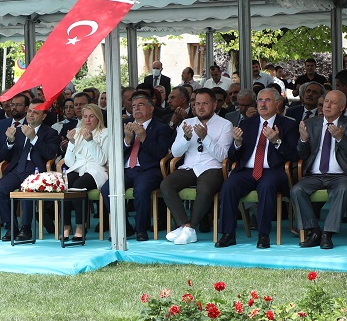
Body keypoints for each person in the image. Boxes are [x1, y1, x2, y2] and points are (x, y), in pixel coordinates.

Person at [216, 88, 299, 249]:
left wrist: (277, 141)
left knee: (266, 186)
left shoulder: (288, 124)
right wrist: (237, 143)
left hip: (273, 171)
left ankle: (263, 235)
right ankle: (228, 234)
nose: (262, 104)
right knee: (229, 185)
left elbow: (295, 155)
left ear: (277, 103)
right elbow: (232, 157)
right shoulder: (247, 124)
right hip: (247, 171)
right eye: (260, 100)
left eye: (267, 100)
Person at [290, 90, 347, 249]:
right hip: (314, 175)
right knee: (296, 190)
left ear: (342, 107)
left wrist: (341, 138)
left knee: (343, 189)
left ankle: (327, 234)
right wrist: (303, 140)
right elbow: (302, 154)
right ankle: (314, 231)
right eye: (326, 101)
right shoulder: (310, 124)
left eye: (333, 103)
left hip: (340, 175)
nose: (327, 105)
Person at [160, 89, 232, 244]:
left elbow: (223, 156)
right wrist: (186, 138)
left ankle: (189, 228)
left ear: (214, 105)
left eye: (205, 103)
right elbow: (175, 152)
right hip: (189, 167)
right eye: (197, 103)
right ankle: (186, 226)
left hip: (212, 167)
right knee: (166, 184)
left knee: (204, 189)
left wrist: (205, 137)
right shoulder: (187, 123)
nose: (200, 107)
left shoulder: (225, 125)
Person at [0, 102, 61, 242]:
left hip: (36, 171)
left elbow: (51, 154)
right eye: (29, 111)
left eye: (35, 112)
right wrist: (10, 141)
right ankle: (11, 226)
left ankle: (26, 228)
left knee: (26, 189)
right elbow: (4, 156)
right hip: (16, 169)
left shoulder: (50, 132)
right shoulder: (18, 130)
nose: (30, 114)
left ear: (43, 116)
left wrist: (34, 138)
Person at [117, 91, 174, 241]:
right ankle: (125, 228)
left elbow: (160, 153)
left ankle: (141, 230)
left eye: (140, 105)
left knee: (141, 189)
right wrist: (127, 140)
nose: (136, 108)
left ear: (151, 108)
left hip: (149, 170)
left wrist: (144, 138)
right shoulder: (125, 125)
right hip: (127, 169)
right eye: (133, 106)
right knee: (107, 188)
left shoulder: (161, 127)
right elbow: (116, 153)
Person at [59, 104, 112, 242]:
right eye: (85, 116)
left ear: (98, 118)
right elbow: (69, 162)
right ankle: (66, 225)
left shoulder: (105, 133)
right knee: (64, 184)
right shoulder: (77, 132)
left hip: (97, 170)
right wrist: (71, 143)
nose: (87, 120)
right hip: (78, 167)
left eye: (91, 116)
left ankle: (80, 227)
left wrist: (90, 141)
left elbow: (102, 160)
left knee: (78, 186)